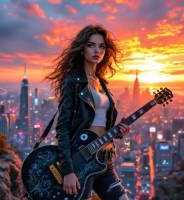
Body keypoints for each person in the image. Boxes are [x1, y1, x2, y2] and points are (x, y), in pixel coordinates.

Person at [44, 23, 131, 200]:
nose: (97, 50)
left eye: (101, 46)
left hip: (105, 160)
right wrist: (68, 171)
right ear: (82, 49)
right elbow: (63, 126)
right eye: (91, 45)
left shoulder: (102, 83)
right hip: (81, 162)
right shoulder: (73, 80)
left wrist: (120, 132)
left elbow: (101, 123)